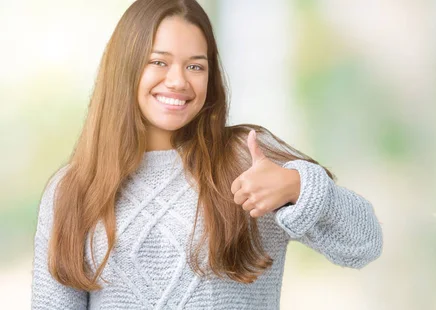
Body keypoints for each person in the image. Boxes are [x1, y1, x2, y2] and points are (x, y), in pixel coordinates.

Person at [31, 0, 383, 309]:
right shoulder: (73, 188)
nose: (178, 81)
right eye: (159, 62)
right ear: (125, 67)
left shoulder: (245, 158)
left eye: (195, 66)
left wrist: (297, 187)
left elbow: (364, 244)